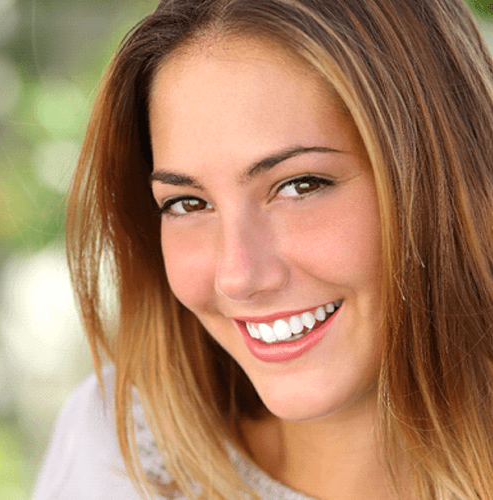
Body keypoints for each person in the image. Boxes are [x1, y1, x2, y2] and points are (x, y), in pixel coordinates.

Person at [33, 0, 493, 499]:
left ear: (446, 179)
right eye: (188, 203)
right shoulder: (116, 457)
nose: (239, 276)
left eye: (300, 185)